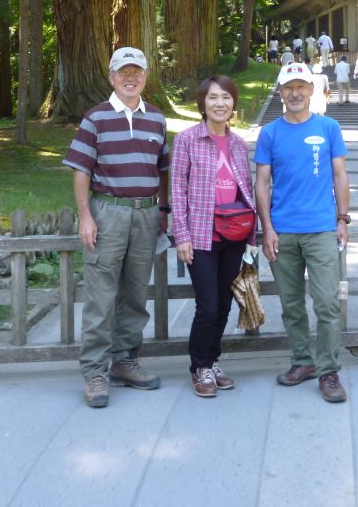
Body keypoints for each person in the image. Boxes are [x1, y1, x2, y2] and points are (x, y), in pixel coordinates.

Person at [63, 47, 170, 408]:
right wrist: (85, 216)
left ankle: (125, 361)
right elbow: (81, 170)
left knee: (136, 294)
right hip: (108, 211)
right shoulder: (95, 118)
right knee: (101, 296)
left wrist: (164, 211)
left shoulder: (156, 118)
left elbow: (163, 170)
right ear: (111, 77)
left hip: (145, 214)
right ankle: (95, 370)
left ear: (145, 75)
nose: (131, 77)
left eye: (137, 71)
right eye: (123, 71)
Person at [255, 62, 350, 403]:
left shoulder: (329, 127)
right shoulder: (270, 133)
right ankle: (301, 361)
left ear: (312, 90)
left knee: (327, 303)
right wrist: (267, 228)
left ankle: (328, 370)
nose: (295, 93)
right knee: (291, 304)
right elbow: (262, 182)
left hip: (322, 229)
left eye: (301, 87)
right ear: (279, 92)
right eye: (288, 87)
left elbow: (340, 175)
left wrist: (342, 219)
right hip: (283, 231)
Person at [170, 76, 256, 399]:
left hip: (234, 233)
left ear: (233, 104)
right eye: (212, 98)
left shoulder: (237, 143)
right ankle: (198, 366)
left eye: (226, 98)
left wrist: (252, 235)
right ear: (202, 103)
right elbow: (177, 189)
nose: (219, 104)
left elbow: (244, 190)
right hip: (201, 234)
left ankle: (213, 359)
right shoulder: (188, 139)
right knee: (207, 304)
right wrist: (182, 234)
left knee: (224, 302)